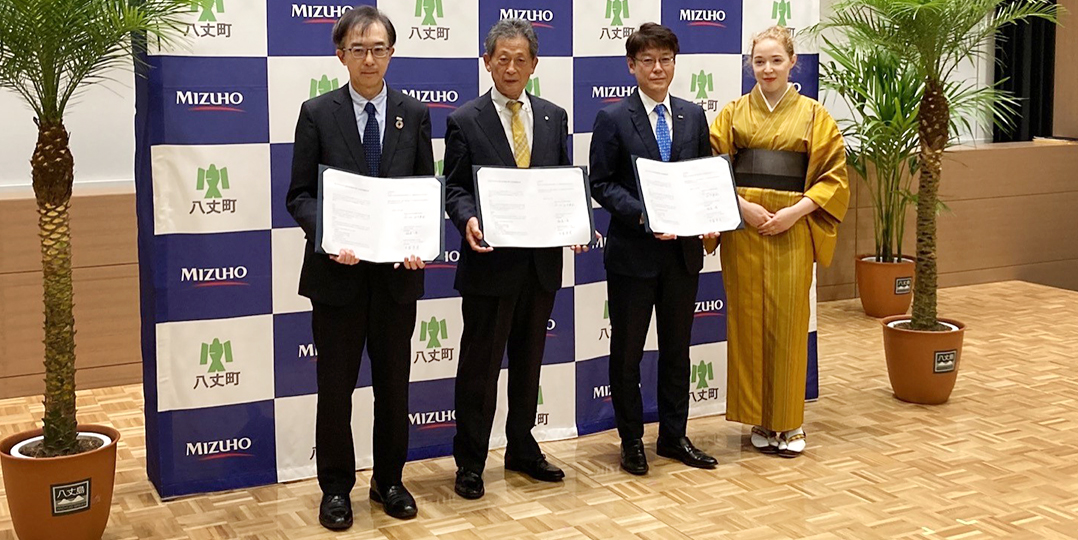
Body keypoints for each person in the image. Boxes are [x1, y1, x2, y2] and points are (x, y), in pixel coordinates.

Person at [285, 6, 434, 529]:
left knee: (395, 386)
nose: (368, 58)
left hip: (396, 278)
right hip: (337, 277)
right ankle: (336, 489)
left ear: (391, 53)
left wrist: (419, 240)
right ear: (340, 54)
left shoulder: (413, 115)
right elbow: (298, 195)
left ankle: (390, 481)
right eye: (357, 49)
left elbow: (423, 192)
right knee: (337, 388)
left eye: (378, 49)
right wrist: (329, 235)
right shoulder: (316, 112)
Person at [444, 18, 591, 500]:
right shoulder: (464, 119)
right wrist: (466, 219)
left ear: (534, 64)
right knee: (480, 369)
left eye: (520, 58)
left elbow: (560, 185)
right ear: (487, 63)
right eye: (501, 58)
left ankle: (523, 448)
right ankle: (469, 461)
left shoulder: (553, 115)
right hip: (490, 263)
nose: (511, 67)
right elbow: (456, 188)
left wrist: (575, 222)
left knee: (529, 363)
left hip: (541, 263)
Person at [707, 26, 850, 458]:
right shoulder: (732, 113)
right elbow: (712, 170)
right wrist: (742, 206)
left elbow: (834, 178)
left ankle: (788, 422)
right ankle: (758, 418)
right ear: (750, 65)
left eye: (775, 60)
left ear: (793, 63)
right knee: (748, 323)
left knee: (789, 323)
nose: (767, 69)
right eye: (759, 61)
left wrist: (795, 212)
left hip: (793, 229)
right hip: (745, 229)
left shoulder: (814, 115)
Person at [589, 22, 719, 476]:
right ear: (632, 66)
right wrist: (645, 215)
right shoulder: (613, 118)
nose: (657, 68)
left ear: (675, 64)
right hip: (633, 255)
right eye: (647, 60)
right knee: (626, 353)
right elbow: (601, 184)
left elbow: (704, 179)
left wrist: (709, 220)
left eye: (665, 59)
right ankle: (631, 441)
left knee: (677, 349)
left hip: (682, 255)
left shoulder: (692, 115)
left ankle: (673, 435)